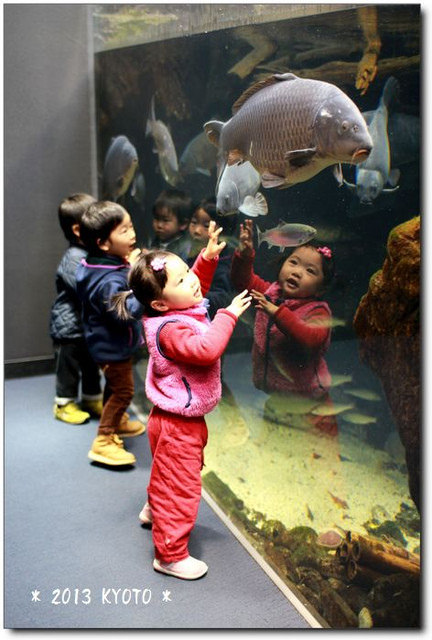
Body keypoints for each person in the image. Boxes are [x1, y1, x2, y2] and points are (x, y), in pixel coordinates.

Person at [111, 221, 251, 580]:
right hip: (178, 426)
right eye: (183, 278)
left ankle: (153, 510)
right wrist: (228, 315)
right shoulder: (172, 330)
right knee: (182, 488)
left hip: (170, 420)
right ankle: (169, 555)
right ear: (159, 303)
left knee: (166, 474)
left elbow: (192, 292)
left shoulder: (173, 308)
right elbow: (206, 350)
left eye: (189, 272)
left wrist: (205, 258)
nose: (192, 281)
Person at [231, 219, 337, 435]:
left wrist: (277, 312)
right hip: (275, 397)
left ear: (322, 287)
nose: (297, 272)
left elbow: (311, 338)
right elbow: (242, 282)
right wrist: (245, 255)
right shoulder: (270, 292)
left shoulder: (318, 311)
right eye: (294, 262)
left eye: (310, 271)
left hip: (312, 405)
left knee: (319, 454)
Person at [76, 201, 146, 466]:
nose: (133, 235)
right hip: (112, 347)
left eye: (131, 227)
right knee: (124, 392)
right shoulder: (109, 280)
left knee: (115, 388)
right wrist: (138, 279)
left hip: (104, 343)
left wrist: (127, 266)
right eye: (125, 230)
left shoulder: (96, 265)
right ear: (104, 243)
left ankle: (115, 421)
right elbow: (125, 313)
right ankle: (104, 439)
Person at [50, 193, 103, 424]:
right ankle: (64, 403)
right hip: (68, 326)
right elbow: (85, 287)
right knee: (68, 367)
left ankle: (91, 397)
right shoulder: (74, 257)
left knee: (91, 363)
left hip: (86, 326)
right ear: (78, 230)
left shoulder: (89, 253)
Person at [187, 197, 236, 318]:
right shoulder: (186, 249)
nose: (197, 230)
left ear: (222, 232)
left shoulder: (224, 264)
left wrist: (190, 296)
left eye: (206, 225)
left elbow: (222, 299)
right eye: (194, 222)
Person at [147, 188, 193, 261]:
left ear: (183, 224)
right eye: (156, 218)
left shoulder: (186, 248)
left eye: (165, 220)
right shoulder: (154, 241)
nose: (159, 225)